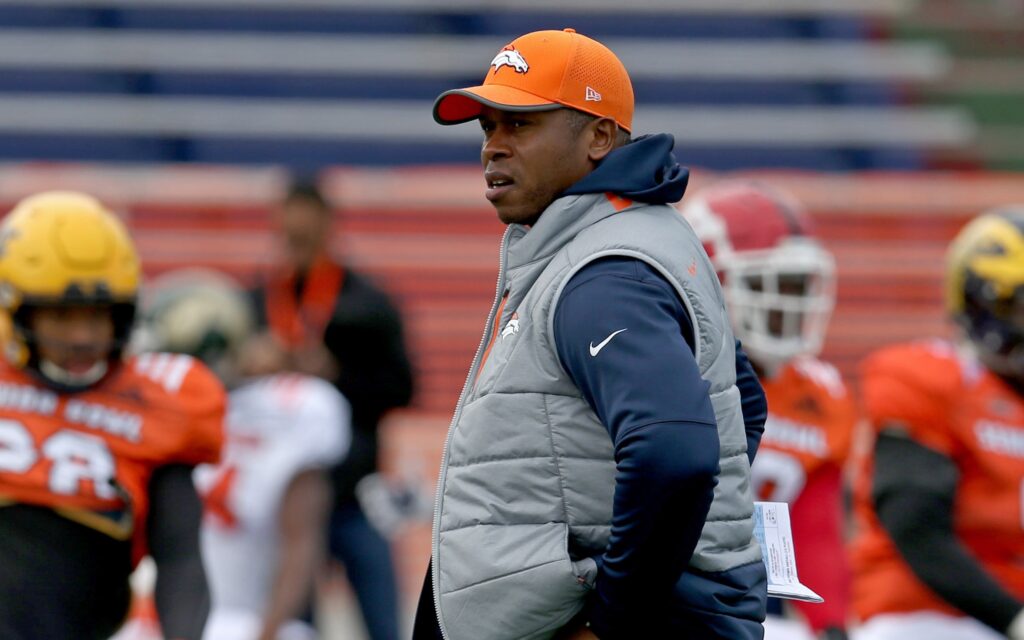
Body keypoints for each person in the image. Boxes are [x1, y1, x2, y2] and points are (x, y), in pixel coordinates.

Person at [415, 28, 768, 639]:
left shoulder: (605, 272)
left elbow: (677, 456)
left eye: (520, 124)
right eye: (488, 127)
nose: (493, 148)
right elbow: (744, 405)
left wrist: (614, 620)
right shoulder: (625, 239)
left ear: (600, 137)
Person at [0, 191, 224, 639]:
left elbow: (181, 558)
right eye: (61, 315)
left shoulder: (160, 403)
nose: (82, 335)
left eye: (98, 315)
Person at [681, 180, 856, 640]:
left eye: (798, 287)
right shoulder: (673, 372)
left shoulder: (824, 393)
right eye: (767, 285)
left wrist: (833, 626)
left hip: (759, 610)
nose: (788, 306)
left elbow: (815, 533)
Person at [137, 268, 351, 640]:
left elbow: (302, 544)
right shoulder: (150, 415)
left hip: (239, 620)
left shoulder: (289, 410)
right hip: (162, 612)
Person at [247, 178, 414, 640]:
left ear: (328, 227)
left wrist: (336, 375)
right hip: (287, 499)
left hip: (355, 493)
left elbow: (402, 388)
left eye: (306, 234)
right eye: (289, 235)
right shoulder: (257, 302)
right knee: (295, 626)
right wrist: (252, 368)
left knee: (384, 623)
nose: (296, 244)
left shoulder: (368, 302)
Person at [849, 206, 1024, 640]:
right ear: (981, 303)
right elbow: (917, 529)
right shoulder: (929, 379)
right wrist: (1014, 618)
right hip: (925, 616)